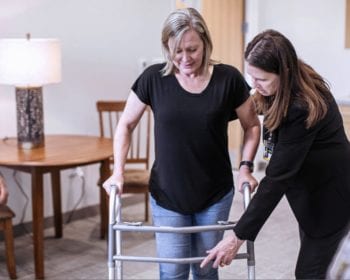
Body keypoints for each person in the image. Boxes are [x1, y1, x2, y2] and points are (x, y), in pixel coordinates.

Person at [103, 7, 261, 280]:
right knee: (172, 271)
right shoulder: (154, 78)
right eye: (177, 51)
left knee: (205, 270)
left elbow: (253, 125)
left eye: (192, 49)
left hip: (214, 193)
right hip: (167, 194)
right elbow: (125, 126)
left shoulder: (228, 79)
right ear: (166, 47)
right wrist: (118, 172)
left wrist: (245, 167)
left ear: (205, 44)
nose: (185, 58)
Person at [200, 29, 350, 279]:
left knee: (308, 273)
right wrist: (254, 161)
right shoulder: (283, 88)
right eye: (251, 77)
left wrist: (236, 237)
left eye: (261, 79)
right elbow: (269, 130)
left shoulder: (301, 108)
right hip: (313, 196)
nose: (254, 86)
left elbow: (277, 178)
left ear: (285, 72)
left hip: (331, 200)